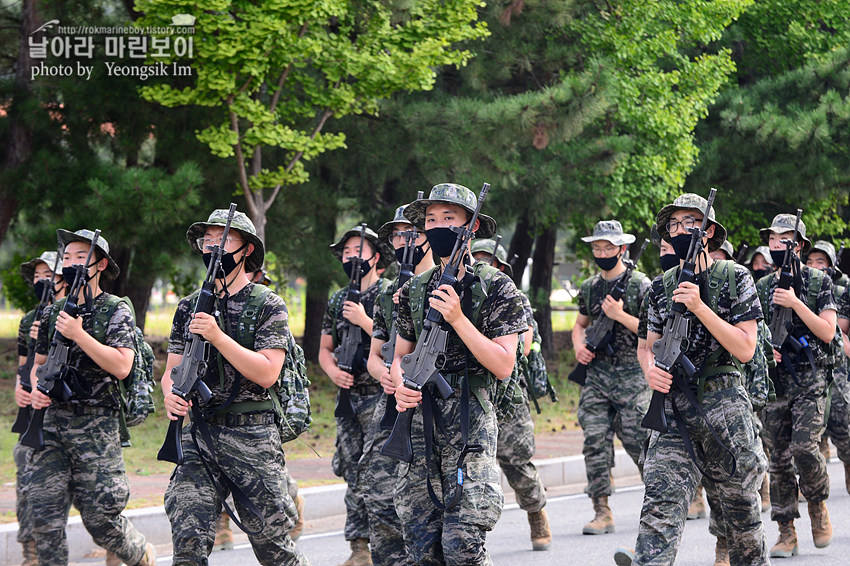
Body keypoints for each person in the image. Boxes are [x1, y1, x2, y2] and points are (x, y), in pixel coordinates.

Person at [618, 193, 769, 566]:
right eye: (673, 224)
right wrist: (650, 372)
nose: (680, 230)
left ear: (709, 231)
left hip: (725, 408)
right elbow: (649, 349)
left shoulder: (736, 277)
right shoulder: (659, 287)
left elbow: (746, 348)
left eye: (690, 223)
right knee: (658, 512)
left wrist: (701, 307)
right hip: (673, 412)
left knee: (742, 519)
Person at [161, 209, 307, 565]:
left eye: (223, 239)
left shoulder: (267, 304)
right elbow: (171, 371)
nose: (213, 247)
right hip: (202, 436)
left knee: (275, 549)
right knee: (187, 537)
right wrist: (170, 395)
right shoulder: (188, 307)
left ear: (246, 250)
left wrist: (217, 336)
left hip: (253, 437)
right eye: (207, 240)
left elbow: (268, 372)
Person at [390, 183, 526, 565]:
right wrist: (401, 386)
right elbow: (400, 356)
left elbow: (503, 363)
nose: (437, 227)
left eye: (448, 218)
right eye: (430, 219)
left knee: (462, 549)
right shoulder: (416, 289)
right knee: (421, 550)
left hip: (470, 424)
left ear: (472, 227)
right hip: (419, 428)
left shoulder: (497, 287)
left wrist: (458, 319)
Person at [29, 230, 156, 566]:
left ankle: (140, 553)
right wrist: (36, 389)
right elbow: (38, 364)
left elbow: (123, 366)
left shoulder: (115, 310)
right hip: (52, 424)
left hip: (96, 426)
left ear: (100, 264)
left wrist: (79, 334)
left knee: (101, 519)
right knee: (44, 516)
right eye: (66, 257)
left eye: (80, 257)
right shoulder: (52, 311)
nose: (71, 263)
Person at [758, 215, 837, 558]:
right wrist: (766, 349)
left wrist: (795, 303)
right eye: (773, 240)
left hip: (809, 378)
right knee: (777, 460)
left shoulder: (819, 282)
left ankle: (818, 504)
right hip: (775, 383)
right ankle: (786, 530)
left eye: (785, 239)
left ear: (799, 245)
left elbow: (828, 332)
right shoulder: (760, 287)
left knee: (805, 449)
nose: (778, 246)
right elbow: (750, 334)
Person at [470, 237, 552, 551]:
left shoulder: (512, 296)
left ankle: (536, 511)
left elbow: (523, 338)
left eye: (487, 260)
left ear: (501, 267)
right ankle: (470, 539)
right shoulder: (464, 295)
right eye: (476, 258)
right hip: (473, 393)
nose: (482, 265)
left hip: (507, 396)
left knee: (516, 462)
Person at [365, 203, 434, 565]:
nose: (405, 240)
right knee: (377, 495)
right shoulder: (386, 294)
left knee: (426, 505)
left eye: (413, 232)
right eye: (397, 234)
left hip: (438, 408)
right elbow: (374, 356)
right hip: (393, 406)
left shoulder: (446, 283)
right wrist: (387, 374)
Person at [319, 225, 392, 566]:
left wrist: (364, 320)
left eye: (357, 251)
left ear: (375, 258)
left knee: (379, 473)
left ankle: (388, 547)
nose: (351, 258)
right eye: (346, 253)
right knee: (352, 472)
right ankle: (359, 548)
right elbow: (324, 348)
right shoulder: (337, 298)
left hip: (381, 396)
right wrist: (332, 372)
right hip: (349, 398)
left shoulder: (391, 293)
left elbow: (396, 345)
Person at [572, 220, 650, 535]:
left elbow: (654, 334)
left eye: (608, 247)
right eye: (597, 247)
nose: (602, 252)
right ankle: (601, 511)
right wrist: (579, 347)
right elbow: (579, 324)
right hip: (598, 375)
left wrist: (620, 315)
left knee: (640, 442)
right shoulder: (590, 286)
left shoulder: (640, 285)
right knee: (594, 440)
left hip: (632, 373)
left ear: (622, 249)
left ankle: (672, 499)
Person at [14, 251, 66, 566]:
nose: (41, 281)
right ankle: (30, 550)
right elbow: (23, 366)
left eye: (49, 275)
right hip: (31, 413)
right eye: (37, 276)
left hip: (65, 412)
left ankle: (116, 548)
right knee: (26, 480)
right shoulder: (27, 320)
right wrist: (19, 392)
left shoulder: (71, 315)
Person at [806, 241, 850, 490]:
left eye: (820, 263)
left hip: (838, 365)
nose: (814, 267)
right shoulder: (801, 288)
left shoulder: (842, 291)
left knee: (842, 422)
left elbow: (840, 331)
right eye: (810, 262)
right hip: (809, 366)